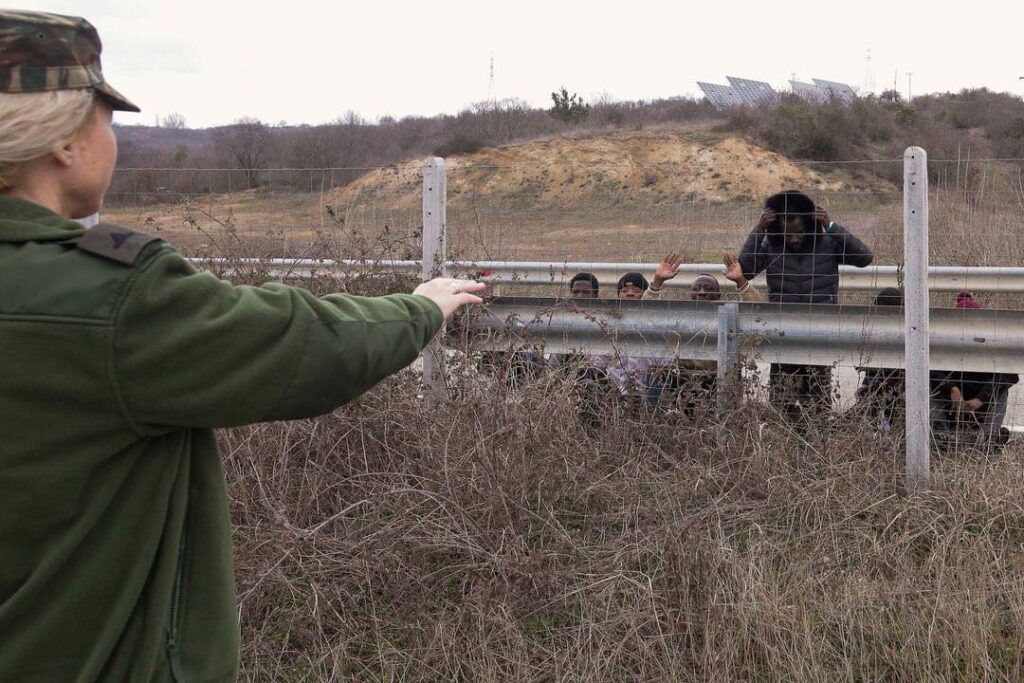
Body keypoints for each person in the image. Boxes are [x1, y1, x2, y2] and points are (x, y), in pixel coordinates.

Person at [0, 11, 485, 682]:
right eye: (105, 114)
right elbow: (300, 345)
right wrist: (419, 309)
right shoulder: (110, 300)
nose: (111, 133)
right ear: (64, 140)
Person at [738, 190, 874, 422]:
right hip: (783, 333)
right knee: (782, 400)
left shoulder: (827, 242)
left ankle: (816, 444)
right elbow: (746, 270)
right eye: (786, 228)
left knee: (818, 400)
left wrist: (831, 226)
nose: (793, 235)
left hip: (819, 332)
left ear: (808, 221)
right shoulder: (772, 245)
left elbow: (864, 257)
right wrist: (758, 229)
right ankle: (784, 447)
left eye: (797, 228)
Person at [643, 252, 764, 414]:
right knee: (656, 374)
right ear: (691, 294)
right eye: (696, 289)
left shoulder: (729, 316)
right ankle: (652, 422)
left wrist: (741, 282)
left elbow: (759, 314)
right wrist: (658, 282)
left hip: (718, 376)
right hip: (684, 377)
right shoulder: (680, 317)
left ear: (718, 295)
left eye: (708, 289)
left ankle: (724, 425)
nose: (701, 292)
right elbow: (645, 316)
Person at [929, 292, 1017, 450]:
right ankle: (940, 435)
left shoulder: (991, 342)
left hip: (981, 403)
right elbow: (930, 371)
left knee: (1002, 390)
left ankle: (991, 438)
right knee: (928, 387)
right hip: (951, 403)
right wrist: (952, 389)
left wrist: (981, 398)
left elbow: (1009, 375)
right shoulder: (946, 341)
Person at [855, 287, 905, 430]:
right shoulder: (877, 331)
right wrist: (866, 385)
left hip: (897, 388)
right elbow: (872, 369)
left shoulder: (904, 331)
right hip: (880, 388)